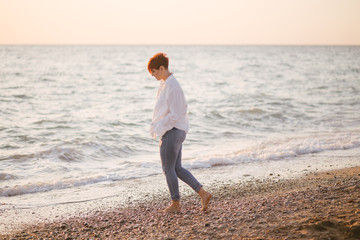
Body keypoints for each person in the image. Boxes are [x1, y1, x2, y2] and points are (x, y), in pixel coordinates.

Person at [148, 53, 212, 213]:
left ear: (162, 68)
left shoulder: (172, 86)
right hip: (175, 130)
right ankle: (203, 194)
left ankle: (175, 204)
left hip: (173, 131)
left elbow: (176, 114)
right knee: (177, 168)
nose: (153, 76)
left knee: (167, 169)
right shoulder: (166, 84)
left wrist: (160, 127)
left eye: (154, 72)